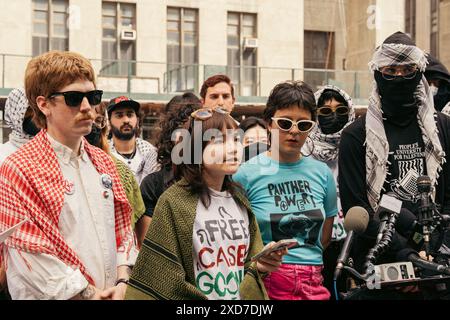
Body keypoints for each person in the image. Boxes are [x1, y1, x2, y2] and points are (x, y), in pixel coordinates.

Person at [0, 51, 137, 300]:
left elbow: (123, 229)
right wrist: (90, 294)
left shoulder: (104, 163)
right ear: (43, 104)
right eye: (74, 98)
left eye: (93, 96)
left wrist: (123, 279)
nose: (87, 107)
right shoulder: (17, 169)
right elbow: (29, 253)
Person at [125, 109, 286, 300]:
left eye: (236, 139)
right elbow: (160, 276)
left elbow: (243, 267)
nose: (233, 148)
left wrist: (259, 265)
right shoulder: (172, 202)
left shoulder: (240, 200)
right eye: (219, 141)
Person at [338, 32, 450, 290]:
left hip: (438, 262)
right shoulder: (355, 135)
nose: (399, 77)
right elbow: (358, 208)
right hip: (376, 262)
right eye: (391, 70)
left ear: (419, 72)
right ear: (378, 74)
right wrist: (406, 257)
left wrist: (435, 254)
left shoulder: (443, 128)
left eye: (408, 69)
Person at [233, 81, 338, 300]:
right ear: (268, 122)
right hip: (265, 283)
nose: (293, 131)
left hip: (314, 283)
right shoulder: (245, 174)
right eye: (284, 122)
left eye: (303, 125)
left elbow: (324, 237)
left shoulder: (323, 174)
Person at [302, 85, 355, 299]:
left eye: (341, 111)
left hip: (351, 246)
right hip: (314, 247)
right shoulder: (303, 152)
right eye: (325, 111)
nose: (333, 116)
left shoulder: (359, 148)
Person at [84, 102, 147, 248]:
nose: (92, 127)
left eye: (98, 121)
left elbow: (136, 231)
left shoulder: (120, 171)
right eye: (119, 115)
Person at [139, 93, 201, 223]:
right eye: (181, 128)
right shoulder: (153, 185)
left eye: (193, 128)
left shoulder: (215, 182)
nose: (187, 134)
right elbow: (147, 240)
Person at [108, 96, 158, 184]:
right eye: (119, 115)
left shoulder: (151, 153)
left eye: (130, 114)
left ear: (137, 120)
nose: (126, 120)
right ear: (109, 121)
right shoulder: (103, 154)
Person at [0, 88, 40, 166]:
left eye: (39, 111)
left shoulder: (53, 151)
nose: (36, 117)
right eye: (29, 111)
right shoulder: (3, 156)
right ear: (14, 114)